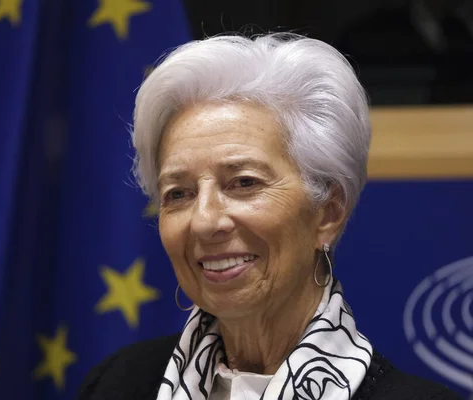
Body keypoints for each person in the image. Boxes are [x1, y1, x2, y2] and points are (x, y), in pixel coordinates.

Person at [77, 33, 463, 400]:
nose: (205, 221)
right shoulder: (117, 384)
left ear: (327, 213)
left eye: (243, 183)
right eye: (178, 193)